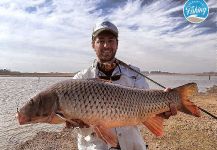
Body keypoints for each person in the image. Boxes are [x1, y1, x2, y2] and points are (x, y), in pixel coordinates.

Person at [73, 21, 176, 150]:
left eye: (111, 41)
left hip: (132, 145)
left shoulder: (135, 73)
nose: (106, 45)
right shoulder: (80, 80)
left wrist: (163, 109)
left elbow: (148, 107)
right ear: (93, 44)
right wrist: (76, 123)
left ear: (117, 44)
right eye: (100, 41)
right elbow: (74, 126)